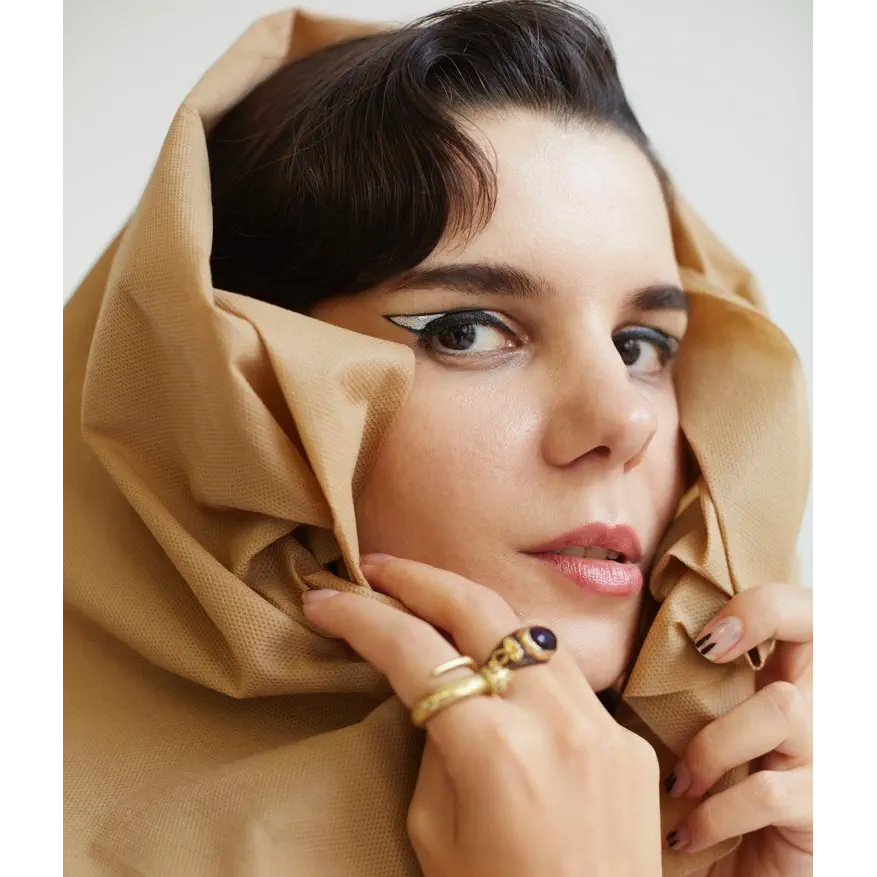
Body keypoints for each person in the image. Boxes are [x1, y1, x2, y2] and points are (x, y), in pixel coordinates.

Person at [60, 3, 814, 876]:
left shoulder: (741, 818)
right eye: (466, 330)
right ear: (237, 392)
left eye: (640, 345)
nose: (624, 423)